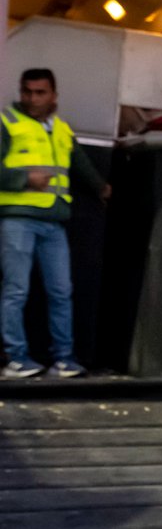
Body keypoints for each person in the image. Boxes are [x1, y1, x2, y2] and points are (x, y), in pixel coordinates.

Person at [1, 68, 110, 378]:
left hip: (54, 223)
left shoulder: (62, 129)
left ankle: (64, 358)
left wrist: (101, 187)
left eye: (40, 92)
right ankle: (16, 358)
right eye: (27, 92)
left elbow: (80, 164)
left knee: (62, 291)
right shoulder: (7, 123)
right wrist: (24, 179)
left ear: (54, 96)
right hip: (17, 220)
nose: (33, 98)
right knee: (16, 291)